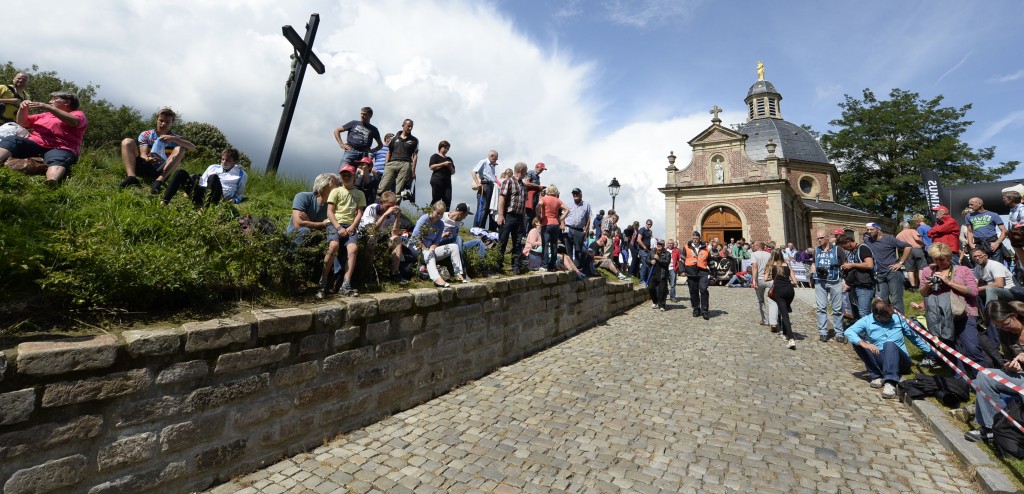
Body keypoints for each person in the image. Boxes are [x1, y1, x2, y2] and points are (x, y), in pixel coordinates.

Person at [844, 299, 940, 399]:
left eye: (892, 314)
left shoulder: (897, 319)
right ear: (878, 316)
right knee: (858, 343)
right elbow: (849, 332)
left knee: (889, 344)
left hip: (901, 361)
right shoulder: (867, 321)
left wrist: (936, 354)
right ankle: (877, 376)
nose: (892, 318)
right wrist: (864, 343)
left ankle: (890, 382)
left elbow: (915, 339)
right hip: (880, 357)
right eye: (889, 317)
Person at [920, 242, 984, 378]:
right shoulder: (927, 271)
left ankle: (985, 380)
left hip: (965, 313)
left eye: (942, 259)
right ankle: (959, 381)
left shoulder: (963, 270)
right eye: (935, 259)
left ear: (949, 256)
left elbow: (973, 292)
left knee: (972, 348)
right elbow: (923, 293)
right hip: (941, 315)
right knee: (951, 349)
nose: (939, 262)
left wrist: (949, 283)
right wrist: (928, 285)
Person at [966, 301, 1024, 442]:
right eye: (999, 327)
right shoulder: (1005, 334)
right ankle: (990, 428)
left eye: (1006, 324)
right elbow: (1009, 359)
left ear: (1014, 315)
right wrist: (1011, 366)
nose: (1005, 329)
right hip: (1021, 375)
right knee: (984, 375)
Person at [0, 91, 87, 186]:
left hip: (61, 147)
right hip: (35, 143)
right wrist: (23, 108)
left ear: (67, 102)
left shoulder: (78, 114)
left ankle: (52, 180)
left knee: (59, 158)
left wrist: (48, 107)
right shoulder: (46, 115)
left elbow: (74, 122)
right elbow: (23, 123)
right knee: (13, 140)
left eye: (55, 99)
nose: (50, 101)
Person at [316, 164, 366, 299]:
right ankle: (323, 282)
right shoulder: (336, 191)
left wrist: (352, 227)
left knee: (353, 248)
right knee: (333, 245)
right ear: (341, 176)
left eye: (349, 173)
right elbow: (330, 212)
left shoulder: (359, 193)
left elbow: (359, 213)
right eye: (344, 174)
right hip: (335, 223)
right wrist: (338, 227)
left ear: (354, 176)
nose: (346, 176)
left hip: (350, 225)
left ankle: (346, 284)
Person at [119, 107, 196, 193]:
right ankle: (131, 177)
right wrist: (148, 159)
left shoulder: (176, 138)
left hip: (162, 169)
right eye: (161, 120)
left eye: (167, 122)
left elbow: (193, 148)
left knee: (180, 149)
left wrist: (174, 139)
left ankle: (159, 181)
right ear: (156, 120)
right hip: (144, 164)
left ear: (172, 123)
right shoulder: (146, 134)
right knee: (127, 141)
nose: (163, 124)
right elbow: (143, 154)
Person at [160, 147, 247, 207]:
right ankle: (164, 202)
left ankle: (204, 209)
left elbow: (239, 194)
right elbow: (202, 181)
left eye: (228, 160)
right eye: (223, 159)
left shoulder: (241, 174)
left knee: (213, 177)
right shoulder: (213, 167)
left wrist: (235, 200)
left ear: (235, 161)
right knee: (180, 172)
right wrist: (190, 189)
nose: (224, 162)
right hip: (202, 191)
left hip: (217, 196)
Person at [412, 201, 469, 287]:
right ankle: (437, 279)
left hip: (429, 249)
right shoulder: (424, 219)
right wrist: (425, 249)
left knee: (454, 247)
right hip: (416, 248)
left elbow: (436, 241)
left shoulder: (440, 224)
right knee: (428, 253)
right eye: (438, 213)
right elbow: (415, 237)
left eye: (441, 214)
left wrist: (432, 248)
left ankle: (459, 274)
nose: (439, 216)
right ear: (433, 210)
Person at [358, 191, 406, 282]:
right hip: (365, 237)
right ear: (381, 203)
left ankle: (395, 273)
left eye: (392, 206)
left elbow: (394, 234)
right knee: (372, 238)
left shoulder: (392, 214)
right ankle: (367, 274)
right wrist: (384, 214)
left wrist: (397, 217)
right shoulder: (372, 208)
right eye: (388, 206)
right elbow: (372, 230)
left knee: (397, 240)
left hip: (381, 238)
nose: (390, 209)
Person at [865, 222, 912, 313]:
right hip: (879, 274)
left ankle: (899, 321)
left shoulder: (889, 239)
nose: (869, 232)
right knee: (881, 301)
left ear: (878, 230)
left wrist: (900, 262)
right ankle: (886, 321)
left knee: (896, 300)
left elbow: (908, 246)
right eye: (868, 230)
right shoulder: (867, 241)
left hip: (893, 272)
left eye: (871, 229)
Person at [287, 173, 340, 246]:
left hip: (315, 242)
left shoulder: (332, 206)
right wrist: (323, 224)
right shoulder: (303, 197)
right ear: (325, 186)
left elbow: (329, 230)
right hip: (292, 239)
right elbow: (298, 225)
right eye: (336, 184)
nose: (338, 188)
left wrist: (308, 223)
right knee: (305, 230)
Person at [812, 230, 846, 342]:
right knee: (821, 308)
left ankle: (839, 332)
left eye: (821, 238)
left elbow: (844, 263)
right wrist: (812, 274)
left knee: (837, 309)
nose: (819, 240)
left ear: (827, 237)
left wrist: (836, 267)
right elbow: (813, 263)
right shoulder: (816, 250)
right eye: (818, 238)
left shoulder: (837, 249)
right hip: (820, 281)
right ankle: (822, 332)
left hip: (835, 281)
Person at [495, 162, 528, 274]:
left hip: (519, 217)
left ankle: (516, 266)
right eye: (525, 172)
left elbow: (523, 204)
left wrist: (524, 221)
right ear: (521, 171)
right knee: (503, 240)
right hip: (508, 216)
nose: (526, 174)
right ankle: (497, 264)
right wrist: (500, 215)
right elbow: (502, 199)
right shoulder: (508, 182)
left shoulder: (523, 186)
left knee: (517, 242)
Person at [837, 234, 875, 320]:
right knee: (857, 311)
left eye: (844, 246)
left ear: (848, 242)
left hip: (865, 285)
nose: (844, 248)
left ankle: (868, 332)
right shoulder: (852, 251)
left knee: (864, 312)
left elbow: (870, 264)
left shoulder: (863, 248)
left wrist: (852, 265)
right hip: (856, 284)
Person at [768, 250, 800, 350]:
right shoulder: (787, 265)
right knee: (784, 311)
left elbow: (765, 278)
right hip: (790, 291)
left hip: (779, 292)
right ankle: (785, 334)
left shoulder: (771, 266)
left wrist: (773, 278)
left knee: (784, 315)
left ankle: (791, 339)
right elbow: (795, 281)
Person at [378, 118, 419, 197]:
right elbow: (389, 152)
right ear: (403, 126)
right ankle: (378, 206)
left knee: (398, 190)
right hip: (392, 162)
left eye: (411, 127)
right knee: (383, 187)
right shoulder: (394, 138)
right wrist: (386, 164)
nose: (410, 128)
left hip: (405, 164)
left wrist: (413, 170)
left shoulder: (414, 140)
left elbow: (415, 156)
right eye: (408, 126)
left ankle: (394, 208)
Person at [966, 197, 1008, 265]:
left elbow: (1004, 231)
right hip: (978, 244)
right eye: (969, 204)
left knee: (997, 266)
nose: (969, 206)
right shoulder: (968, 216)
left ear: (979, 204)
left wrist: (997, 243)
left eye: (972, 204)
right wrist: (971, 244)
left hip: (992, 243)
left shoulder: (993, 215)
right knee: (979, 266)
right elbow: (969, 231)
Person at [537, 185, 568, 272]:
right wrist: (560, 219)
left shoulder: (544, 199)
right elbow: (567, 210)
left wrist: (538, 216)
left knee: (545, 245)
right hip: (555, 224)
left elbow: (537, 207)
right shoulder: (558, 200)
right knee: (554, 245)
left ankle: (545, 265)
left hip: (546, 223)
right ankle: (552, 265)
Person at [750, 241, 778, 331]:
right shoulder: (769, 254)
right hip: (769, 279)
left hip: (760, 280)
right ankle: (773, 322)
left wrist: (754, 279)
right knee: (772, 301)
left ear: (758, 246)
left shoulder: (754, 254)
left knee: (761, 300)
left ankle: (765, 320)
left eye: (754, 246)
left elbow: (754, 266)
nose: (753, 247)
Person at [683, 231, 711, 319]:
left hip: (703, 272)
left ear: (699, 238)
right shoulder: (686, 247)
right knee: (693, 291)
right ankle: (696, 309)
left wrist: (714, 273)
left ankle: (705, 310)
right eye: (693, 238)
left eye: (696, 238)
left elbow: (710, 261)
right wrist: (681, 270)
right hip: (691, 272)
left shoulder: (706, 248)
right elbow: (681, 260)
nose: (695, 240)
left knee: (703, 289)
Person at [564, 188, 592, 268]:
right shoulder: (568, 204)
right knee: (568, 249)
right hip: (568, 228)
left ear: (581, 194)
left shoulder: (586, 205)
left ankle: (577, 268)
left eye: (576, 193)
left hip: (579, 230)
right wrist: (562, 225)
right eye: (573, 194)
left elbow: (588, 219)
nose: (575, 195)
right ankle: (570, 267)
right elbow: (563, 215)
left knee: (578, 250)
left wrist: (585, 231)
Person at [471, 150, 499, 229]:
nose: (496, 159)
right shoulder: (483, 162)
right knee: (482, 207)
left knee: (488, 208)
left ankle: (482, 227)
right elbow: (473, 172)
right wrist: (477, 183)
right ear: (492, 156)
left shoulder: (492, 165)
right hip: (485, 185)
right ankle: (477, 227)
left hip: (491, 186)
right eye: (496, 158)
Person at [896, 221, 927, 289]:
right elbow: (917, 238)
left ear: (901, 227)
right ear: (908, 226)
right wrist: (924, 244)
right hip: (916, 249)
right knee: (922, 268)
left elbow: (898, 247)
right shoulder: (912, 230)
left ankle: (913, 286)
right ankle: (922, 286)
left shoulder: (898, 235)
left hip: (906, 252)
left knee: (910, 270)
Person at [428, 140, 455, 210]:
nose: (446, 150)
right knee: (436, 199)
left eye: (447, 149)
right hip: (437, 179)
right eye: (445, 148)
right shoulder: (435, 156)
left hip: (447, 181)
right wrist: (443, 164)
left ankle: (444, 218)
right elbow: (431, 167)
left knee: (447, 200)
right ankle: (430, 215)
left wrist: (450, 167)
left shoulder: (449, 159)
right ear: (440, 147)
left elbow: (453, 172)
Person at [647, 240, 671, 311]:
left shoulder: (667, 253)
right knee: (651, 288)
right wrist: (650, 261)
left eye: (660, 244)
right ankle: (655, 301)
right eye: (658, 244)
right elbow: (647, 260)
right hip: (653, 274)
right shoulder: (652, 252)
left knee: (662, 290)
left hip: (662, 274)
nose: (658, 245)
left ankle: (662, 305)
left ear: (663, 246)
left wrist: (659, 259)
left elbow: (667, 262)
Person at [523, 162, 546, 227]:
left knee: (533, 214)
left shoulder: (537, 177)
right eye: (540, 169)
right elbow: (527, 183)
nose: (541, 171)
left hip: (535, 197)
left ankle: (529, 232)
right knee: (528, 215)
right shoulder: (531, 172)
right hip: (529, 196)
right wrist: (538, 186)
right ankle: (524, 232)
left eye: (542, 170)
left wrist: (540, 189)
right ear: (536, 167)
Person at [637, 219, 654, 284]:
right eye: (648, 224)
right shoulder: (642, 230)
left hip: (648, 250)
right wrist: (644, 247)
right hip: (642, 250)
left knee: (648, 264)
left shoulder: (650, 232)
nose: (649, 225)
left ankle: (647, 280)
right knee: (645, 264)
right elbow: (639, 239)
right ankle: (642, 280)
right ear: (646, 224)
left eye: (650, 224)